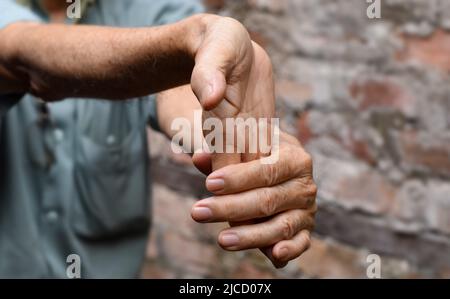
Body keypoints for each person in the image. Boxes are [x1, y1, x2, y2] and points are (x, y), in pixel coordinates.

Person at [0, 0, 317, 278]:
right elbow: (18, 51)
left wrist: (240, 147)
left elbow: (178, 88)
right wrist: (189, 38)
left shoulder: (152, 6)